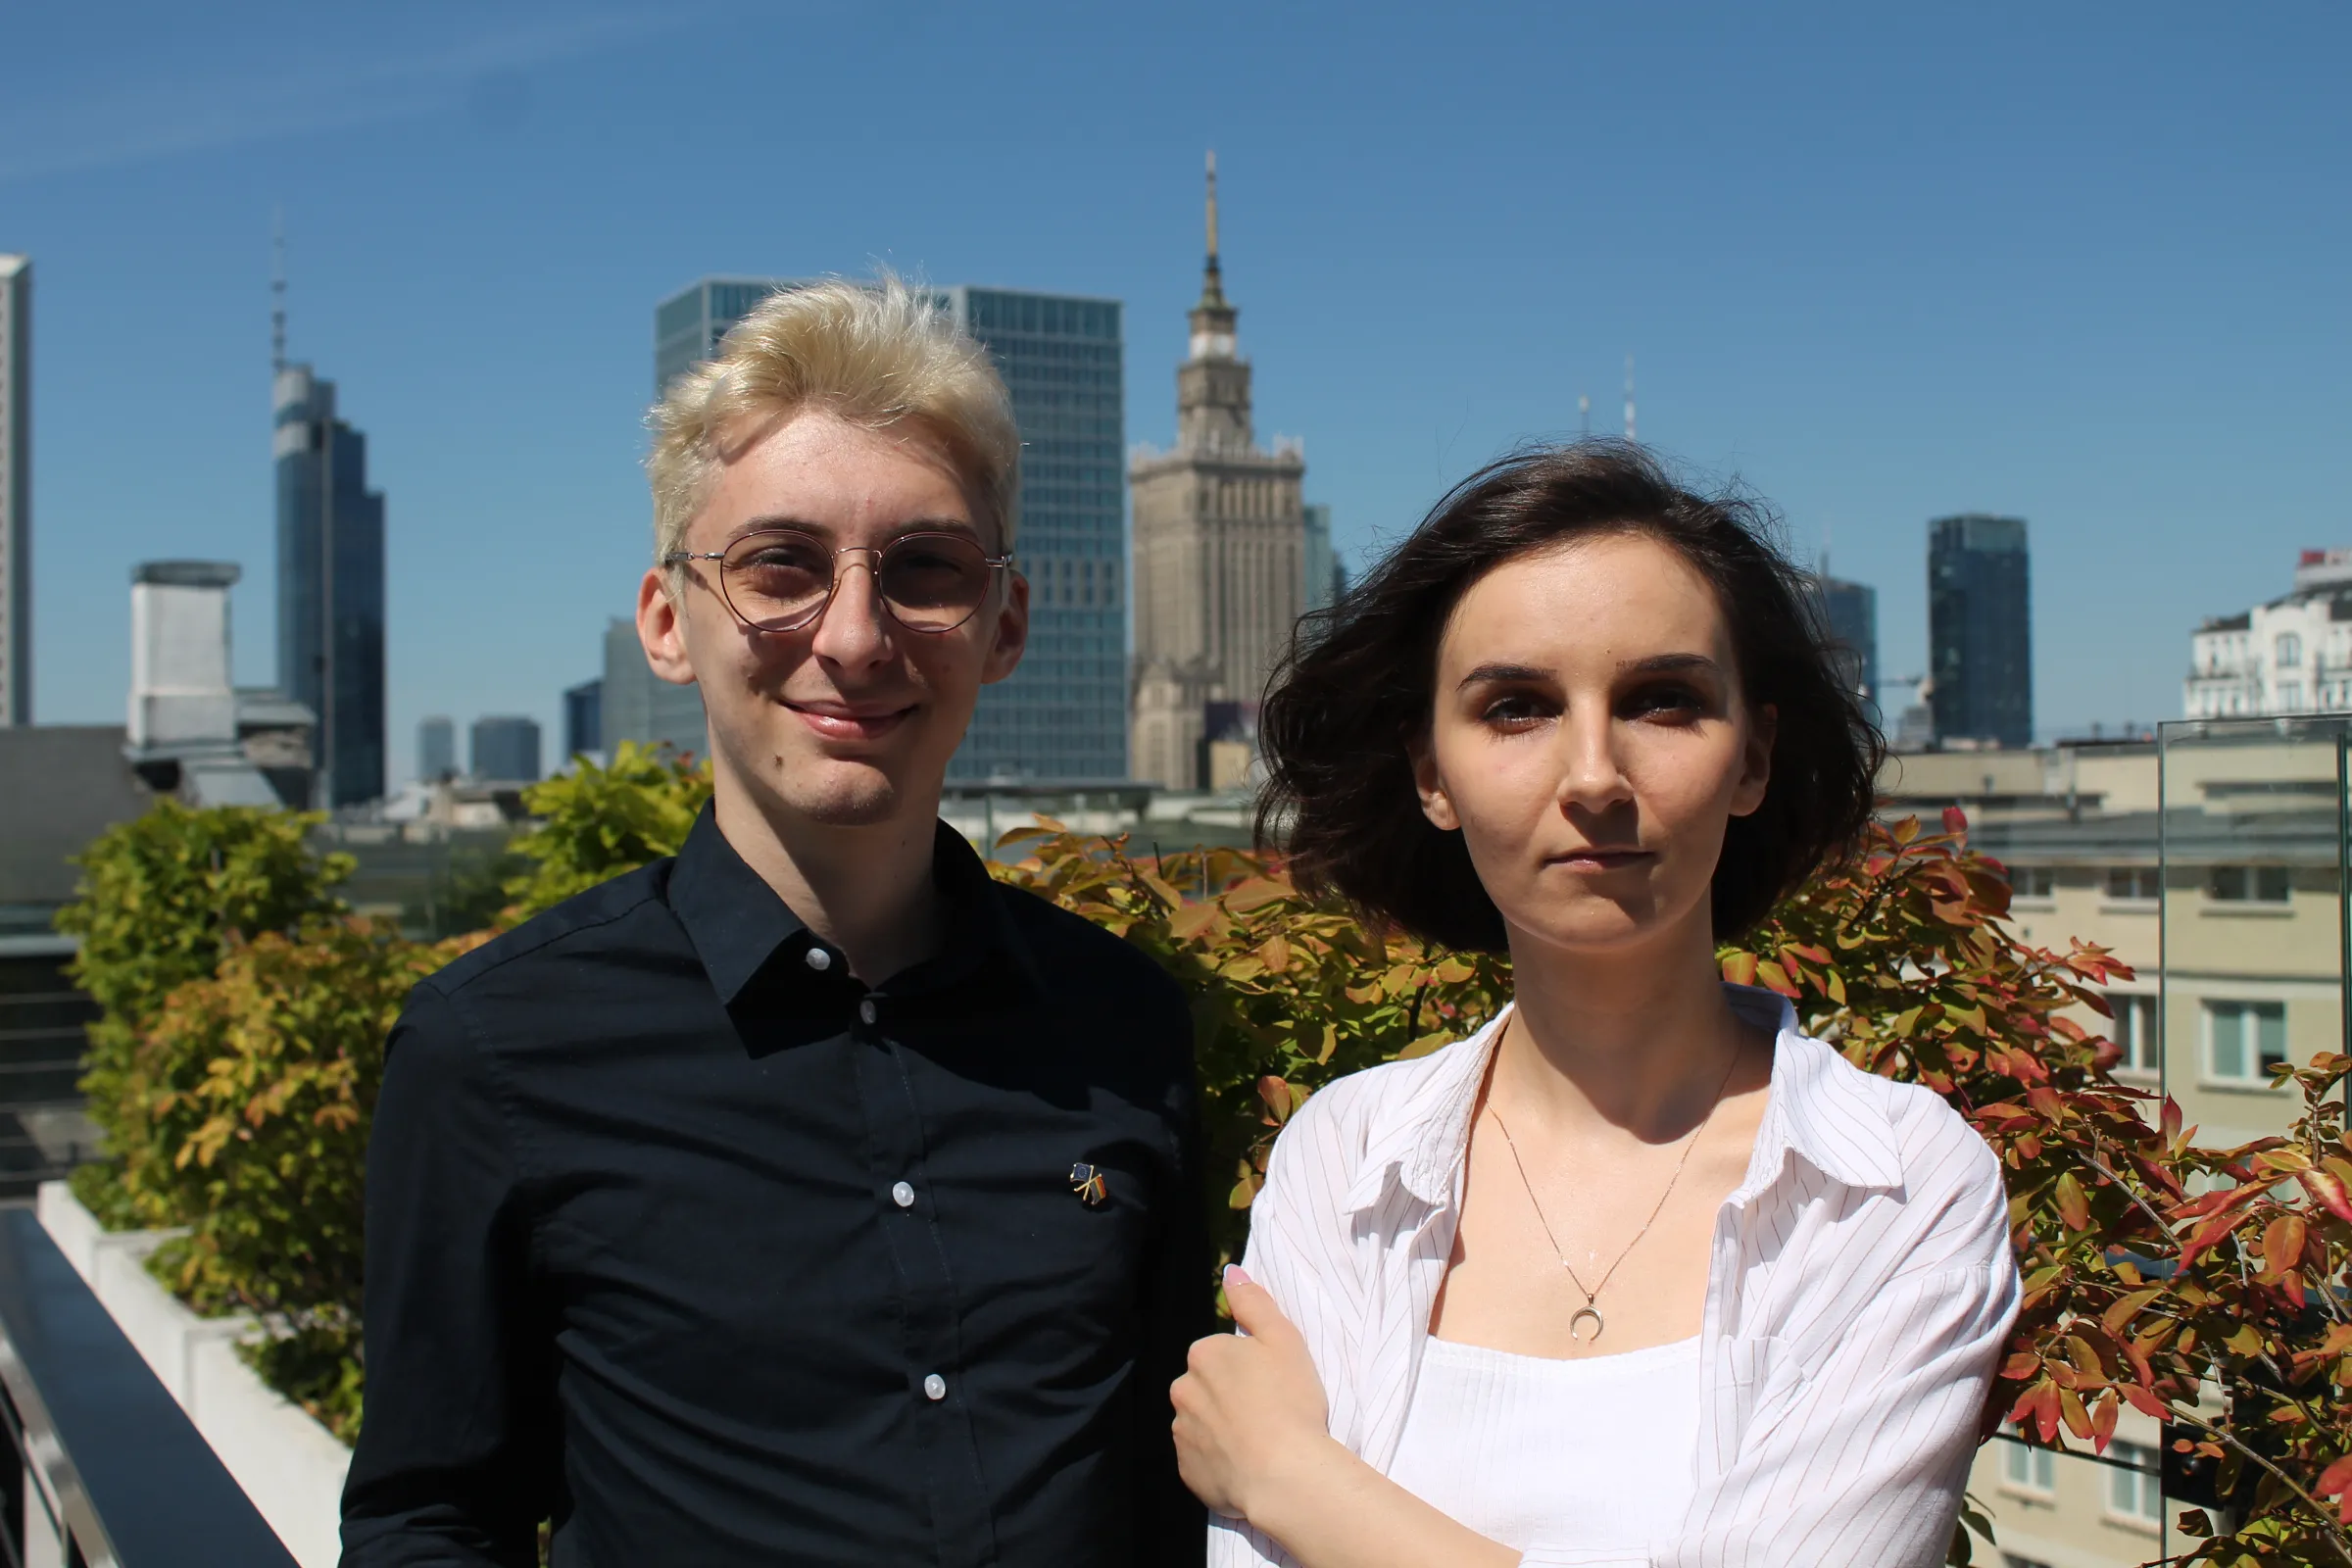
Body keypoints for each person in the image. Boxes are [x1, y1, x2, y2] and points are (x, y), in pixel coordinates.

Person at [343, 277, 1208, 1567]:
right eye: (780, 567)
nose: (854, 636)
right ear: (666, 622)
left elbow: (1161, 1494)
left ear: (1004, 623)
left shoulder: (1123, 1024)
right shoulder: (498, 1051)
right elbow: (430, 1518)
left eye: (924, 569)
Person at [1172, 445, 2019, 1568]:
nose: (1593, 776)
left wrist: (1295, 1479)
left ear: (1753, 755)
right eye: (1515, 707)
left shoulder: (1897, 1186)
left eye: (1662, 701)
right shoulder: (1346, 1159)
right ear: (1433, 774)